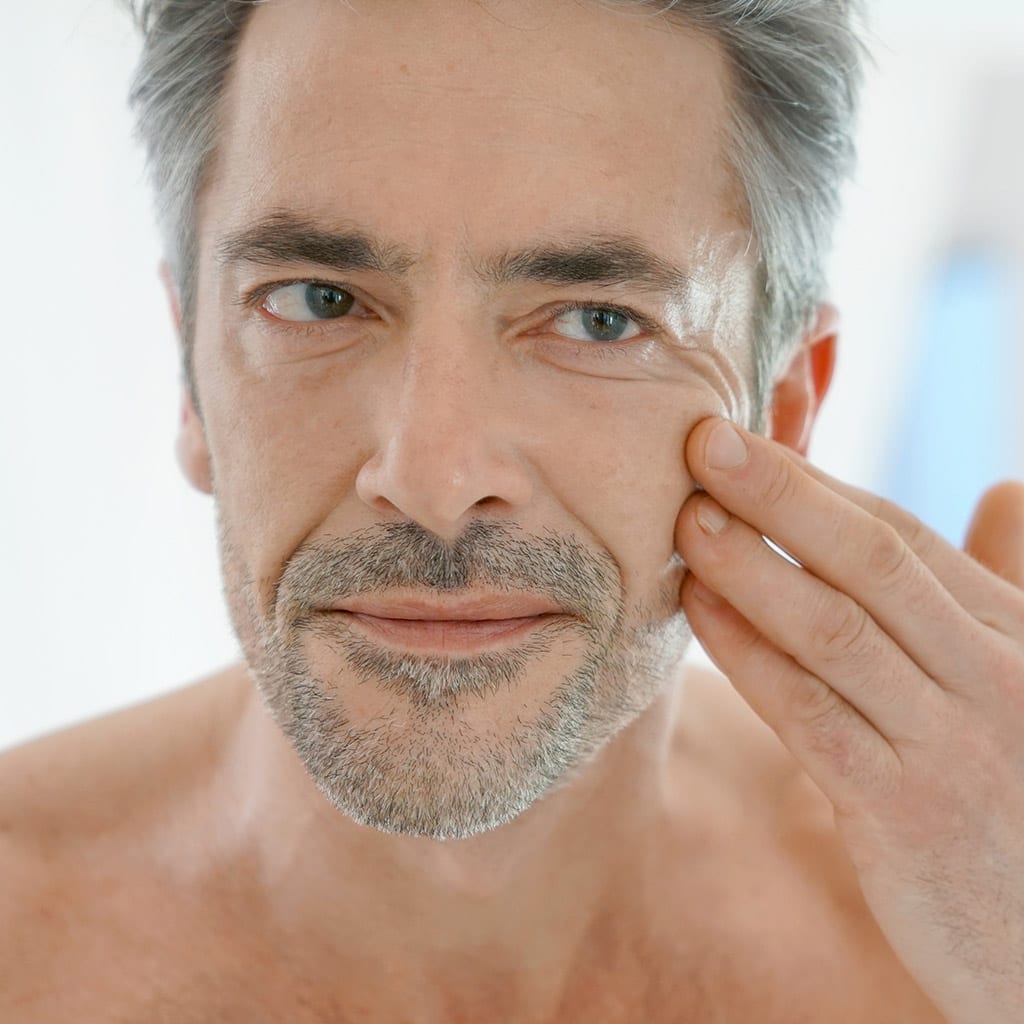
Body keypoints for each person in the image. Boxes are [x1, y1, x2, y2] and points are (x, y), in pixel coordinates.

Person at [3, 0, 1023, 1020]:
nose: (433, 479)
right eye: (316, 298)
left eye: (596, 321)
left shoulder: (956, 931)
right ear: (192, 382)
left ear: (787, 403)